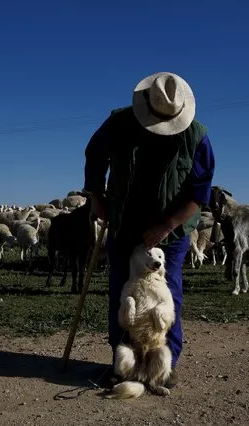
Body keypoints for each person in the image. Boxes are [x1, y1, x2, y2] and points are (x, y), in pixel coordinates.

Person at [82, 71, 215, 390]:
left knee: (166, 294)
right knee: (122, 290)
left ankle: (163, 365)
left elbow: (199, 191)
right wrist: (96, 197)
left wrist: (167, 225)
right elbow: (95, 154)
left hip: (170, 232)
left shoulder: (195, 137)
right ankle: (122, 363)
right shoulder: (118, 123)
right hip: (124, 221)